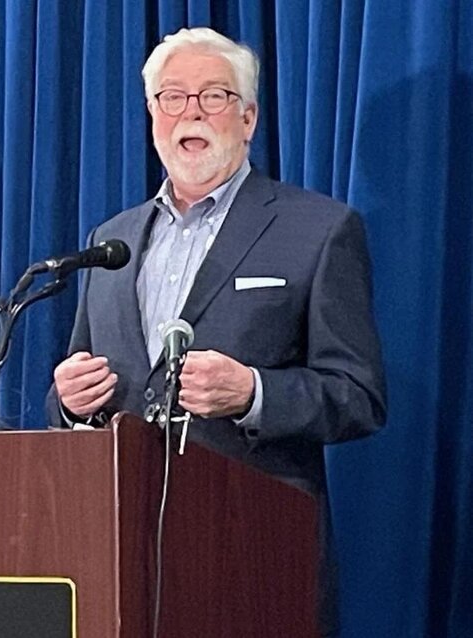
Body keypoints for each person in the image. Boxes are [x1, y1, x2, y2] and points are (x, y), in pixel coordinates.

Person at [47, 27, 386, 636]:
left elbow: (359, 396)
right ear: (152, 114)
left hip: (253, 545)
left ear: (248, 117)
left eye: (213, 96)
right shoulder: (110, 240)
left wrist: (254, 392)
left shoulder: (319, 229)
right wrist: (70, 403)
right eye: (172, 97)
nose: (190, 113)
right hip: (119, 546)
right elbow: (79, 379)